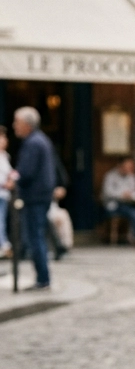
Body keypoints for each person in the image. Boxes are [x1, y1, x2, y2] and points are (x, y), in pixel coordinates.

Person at [10, 106, 56, 290]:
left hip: (34, 197)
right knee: (37, 236)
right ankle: (42, 277)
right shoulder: (40, 140)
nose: (14, 126)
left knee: (35, 237)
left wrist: (13, 180)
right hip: (41, 196)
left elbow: (26, 172)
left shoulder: (33, 143)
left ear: (27, 124)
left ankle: (42, 279)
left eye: (17, 122)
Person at [102, 157, 135, 241]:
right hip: (114, 205)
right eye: (127, 166)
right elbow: (107, 192)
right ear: (120, 166)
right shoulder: (110, 176)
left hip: (130, 203)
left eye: (131, 166)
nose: (129, 168)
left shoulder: (131, 177)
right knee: (134, 214)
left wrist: (131, 195)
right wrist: (122, 195)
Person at [0, 126, 11, 257]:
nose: (5, 140)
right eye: (2, 137)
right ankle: (4, 244)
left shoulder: (5, 156)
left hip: (4, 195)